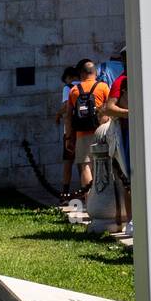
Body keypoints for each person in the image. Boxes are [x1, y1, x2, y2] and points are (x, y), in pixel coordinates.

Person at [65, 59, 110, 191]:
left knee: (85, 165)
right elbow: (110, 108)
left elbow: (68, 117)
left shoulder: (74, 90)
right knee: (102, 164)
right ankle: (101, 195)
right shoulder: (103, 87)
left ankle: (88, 197)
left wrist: (68, 138)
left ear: (81, 74)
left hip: (81, 134)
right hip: (101, 132)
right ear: (95, 73)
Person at [103, 46, 131, 231]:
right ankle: (132, 220)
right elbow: (109, 108)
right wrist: (130, 113)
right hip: (129, 134)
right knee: (131, 178)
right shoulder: (120, 81)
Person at [55, 66, 79, 197]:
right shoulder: (85, 86)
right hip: (85, 130)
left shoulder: (68, 88)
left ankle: (65, 192)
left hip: (70, 130)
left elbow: (66, 106)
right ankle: (86, 192)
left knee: (68, 162)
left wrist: (57, 114)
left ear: (69, 77)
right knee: (84, 163)